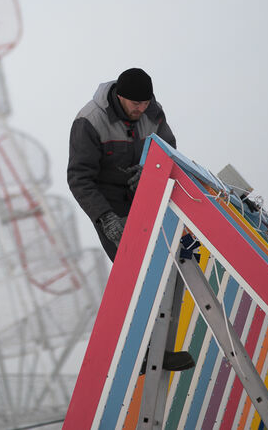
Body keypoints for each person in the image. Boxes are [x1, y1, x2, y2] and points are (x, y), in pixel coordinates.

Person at [67, 67, 194, 372]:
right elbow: (79, 178)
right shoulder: (89, 121)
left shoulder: (153, 113)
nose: (141, 109)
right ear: (120, 97)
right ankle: (135, 352)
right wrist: (105, 218)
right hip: (108, 203)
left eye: (145, 103)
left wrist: (151, 170)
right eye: (135, 104)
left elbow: (168, 152)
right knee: (137, 270)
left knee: (169, 266)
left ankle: (159, 348)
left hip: (144, 194)